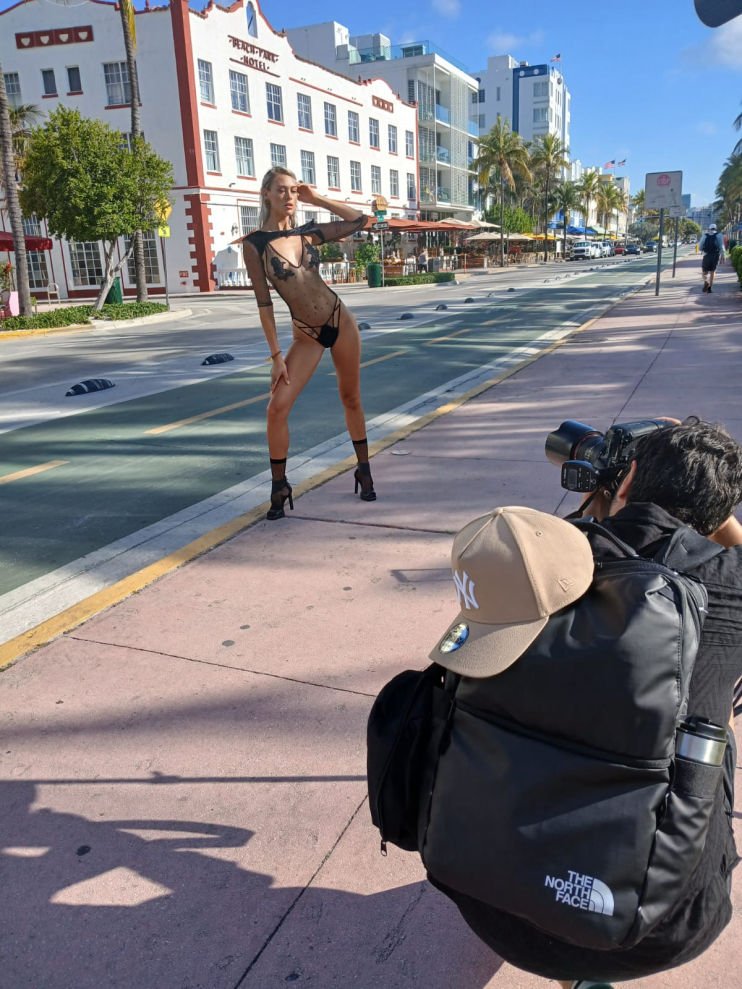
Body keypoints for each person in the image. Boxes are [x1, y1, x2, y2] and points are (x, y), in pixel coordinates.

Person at [445, 417, 742, 988]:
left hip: (482, 894)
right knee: (712, 733)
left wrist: (615, 490)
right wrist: (717, 507)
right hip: (663, 929)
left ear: (624, 479)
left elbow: (572, 540)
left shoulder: (534, 568)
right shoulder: (731, 583)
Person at [242, 167, 376, 519]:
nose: (289, 197)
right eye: (281, 190)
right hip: (306, 334)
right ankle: (279, 486)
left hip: (340, 320)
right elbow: (264, 304)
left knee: (351, 397)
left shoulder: (307, 235)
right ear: (266, 194)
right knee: (276, 408)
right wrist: (276, 356)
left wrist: (316, 198)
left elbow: (360, 220)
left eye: (293, 190)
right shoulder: (255, 245)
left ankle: (364, 469)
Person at [699, 223, 724, 292]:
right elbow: (721, 246)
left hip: (706, 255)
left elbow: (700, 247)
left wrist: (702, 251)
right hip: (715, 255)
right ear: (716, 229)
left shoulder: (705, 235)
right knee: (713, 272)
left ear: (709, 229)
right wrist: (723, 256)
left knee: (704, 272)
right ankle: (709, 288)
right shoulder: (719, 235)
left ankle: (706, 281)